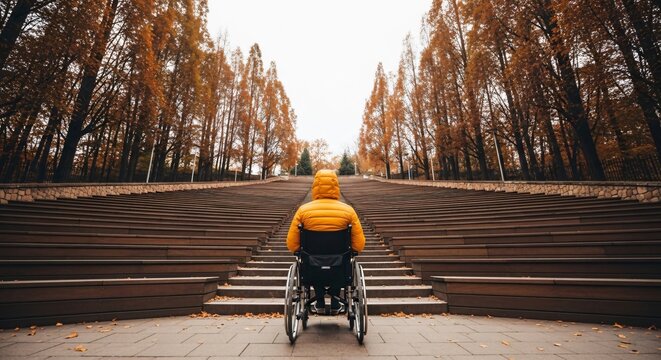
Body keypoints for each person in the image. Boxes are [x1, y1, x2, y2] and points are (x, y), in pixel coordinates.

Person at [286, 169, 366, 314]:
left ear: (315, 185)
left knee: (312, 263)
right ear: (336, 186)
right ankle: (335, 302)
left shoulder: (303, 211)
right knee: (340, 263)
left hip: (311, 267)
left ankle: (320, 301)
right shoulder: (348, 211)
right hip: (340, 267)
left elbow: (292, 244)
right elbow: (359, 245)